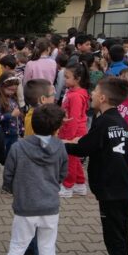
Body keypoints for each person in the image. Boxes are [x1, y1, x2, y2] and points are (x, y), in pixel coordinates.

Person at [66, 77, 128, 255]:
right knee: (116, 235)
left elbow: (84, 147)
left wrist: (60, 145)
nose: (92, 94)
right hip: (120, 188)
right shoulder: (117, 120)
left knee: (115, 238)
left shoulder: (105, 121)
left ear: (103, 97)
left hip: (113, 190)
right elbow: (94, 143)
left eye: (95, 91)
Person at [1, 104, 68, 255]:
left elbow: (8, 174)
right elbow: (62, 174)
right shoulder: (61, 148)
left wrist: (13, 190)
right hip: (50, 207)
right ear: (57, 128)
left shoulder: (18, 147)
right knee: (47, 247)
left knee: (17, 245)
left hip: (25, 206)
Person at [58, 62, 90, 198]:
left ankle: (67, 186)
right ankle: (80, 184)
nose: (64, 79)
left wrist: (69, 138)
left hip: (73, 132)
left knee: (69, 160)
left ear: (77, 79)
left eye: (67, 77)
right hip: (71, 131)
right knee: (75, 160)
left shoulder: (76, 96)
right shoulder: (72, 92)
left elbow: (74, 119)